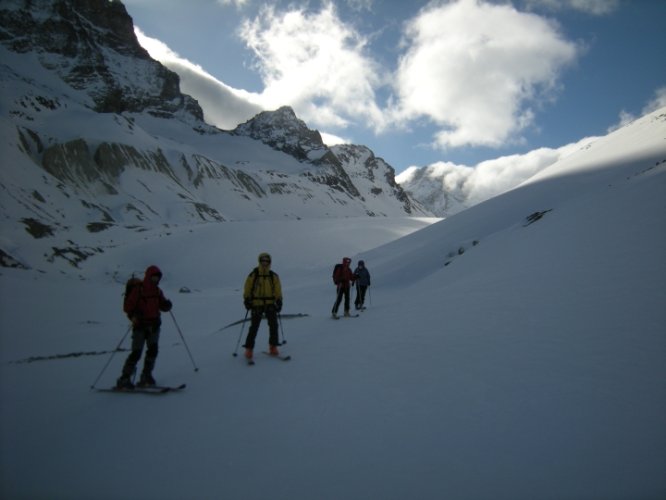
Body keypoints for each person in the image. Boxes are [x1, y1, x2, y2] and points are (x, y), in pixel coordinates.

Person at [117, 265, 172, 388]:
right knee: (136, 353)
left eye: (157, 278)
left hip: (154, 326)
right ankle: (124, 378)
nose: (155, 280)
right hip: (140, 326)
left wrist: (167, 305)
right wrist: (134, 314)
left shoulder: (157, 291)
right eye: (153, 277)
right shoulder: (138, 290)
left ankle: (146, 375)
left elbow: (162, 305)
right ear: (148, 276)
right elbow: (127, 308)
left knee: (152, 351)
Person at [243, 252, 283, 360]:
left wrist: (279, 300)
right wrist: (247, 299)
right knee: (254, 327)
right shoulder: (253, 274)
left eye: (267, 261)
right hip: (256, 304)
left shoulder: (273, 276)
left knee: (274, 325)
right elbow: (247, 287)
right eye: (263, 261)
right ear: (260, 261)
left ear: (269, 262)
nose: (265, 263)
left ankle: (273, 346)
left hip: (270, 304)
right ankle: (249, 349)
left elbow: (277, 290)